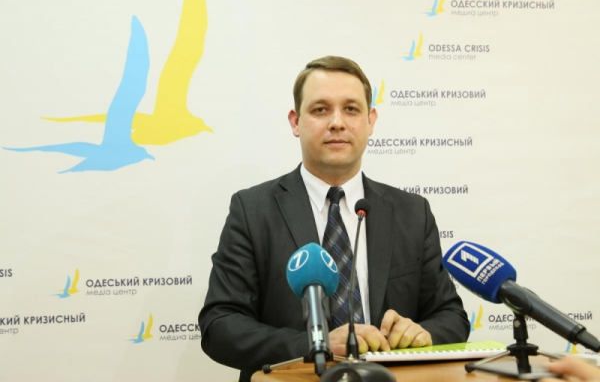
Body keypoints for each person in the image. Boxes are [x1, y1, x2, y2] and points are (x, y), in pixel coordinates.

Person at [199, 55, 470, 381]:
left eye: (351, 109)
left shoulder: (412, 213)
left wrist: (423, 334)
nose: (337, 122)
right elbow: (220, 325)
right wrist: (316, 345)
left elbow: (451, 316)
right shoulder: (253, 210)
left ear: (371, 121)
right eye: (320, 110)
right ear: (295, 122)